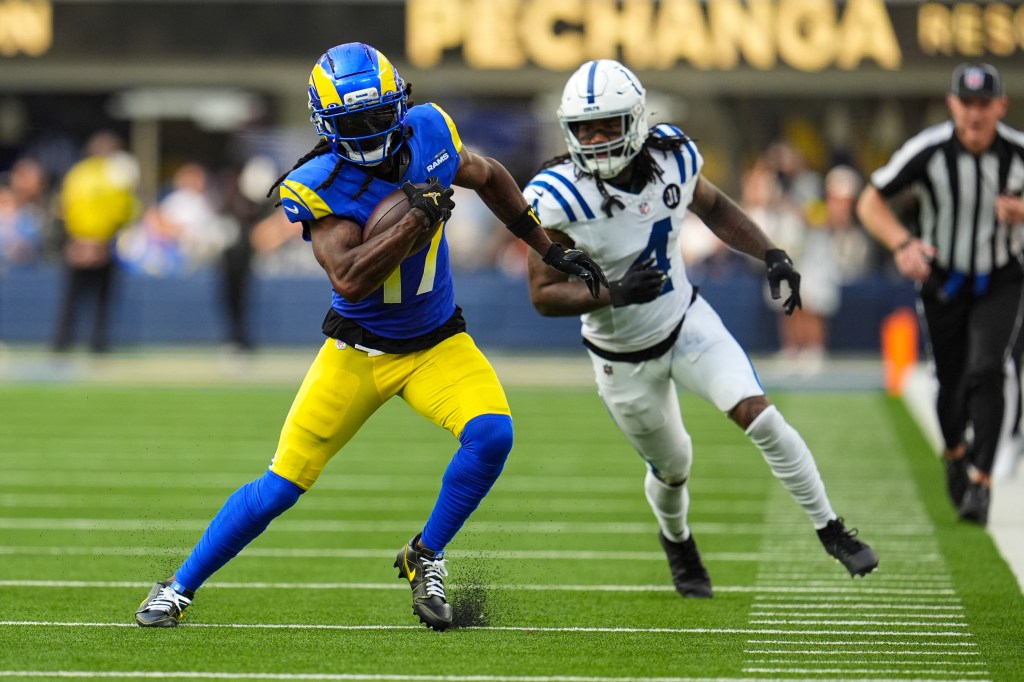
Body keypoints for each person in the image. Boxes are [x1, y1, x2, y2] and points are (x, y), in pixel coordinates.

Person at [134, 42, 606, 631]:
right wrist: (413, 216)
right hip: (356, 352)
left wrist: (550, 245)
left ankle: (425, 553)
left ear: (399, 106)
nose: (369, 131)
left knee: (492, 435)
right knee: (281, 487)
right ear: (326, 126)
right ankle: (177, 587)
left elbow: (488, 175)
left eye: (379, 116)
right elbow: (351, 279)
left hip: (437, 342)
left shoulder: (430, 130)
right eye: (352, 122)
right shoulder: (317, 181)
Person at [524, 59, 878, 599]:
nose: (594, 140)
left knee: (759, 415)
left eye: (607, 126)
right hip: (621, 356)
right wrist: (616, 292)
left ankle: (831, 529)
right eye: (584, 129)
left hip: (686, 320)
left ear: (636, 122)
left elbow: (713, 207)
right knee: (674, 468)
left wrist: (772, 252)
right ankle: (678, 538)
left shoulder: (673, 157)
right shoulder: (557, 196)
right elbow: (542, 295)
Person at [857, 62, 1024, 525]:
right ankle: (954, 451)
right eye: (966, 103)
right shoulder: (928, 151)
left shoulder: (1017, 152)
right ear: (952, 105)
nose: (974, 113)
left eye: (983, 104)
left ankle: (982, 483)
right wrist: (902, 243)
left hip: (1001, 279)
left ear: (1000, 107)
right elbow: (869, 201)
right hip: (944, 281)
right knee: (951, 381)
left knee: (988, 368)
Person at [52, 131, 139, 353]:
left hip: (79, 243)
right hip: (102, 245)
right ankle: (97, 343)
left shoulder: (77, 174)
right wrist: (99, 241)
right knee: (101, 299)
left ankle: (63, 342)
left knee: (72, 298)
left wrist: (76, 241)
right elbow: (125, 210)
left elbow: (64, 207)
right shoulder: (116, 176)